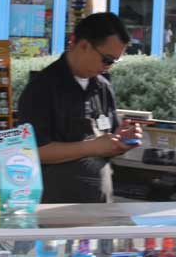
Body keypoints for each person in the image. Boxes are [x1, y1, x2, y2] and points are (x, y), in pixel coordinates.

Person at [17, 12, 144, 203]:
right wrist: (92, 147)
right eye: (107, 60)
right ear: (84, 45)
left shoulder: (102, 87)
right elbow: (34, 151)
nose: (108, 67)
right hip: (55, 209)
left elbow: (105, 140)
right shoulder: (42, 88)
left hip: (98, 205)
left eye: (114, 62)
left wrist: (120, 141)